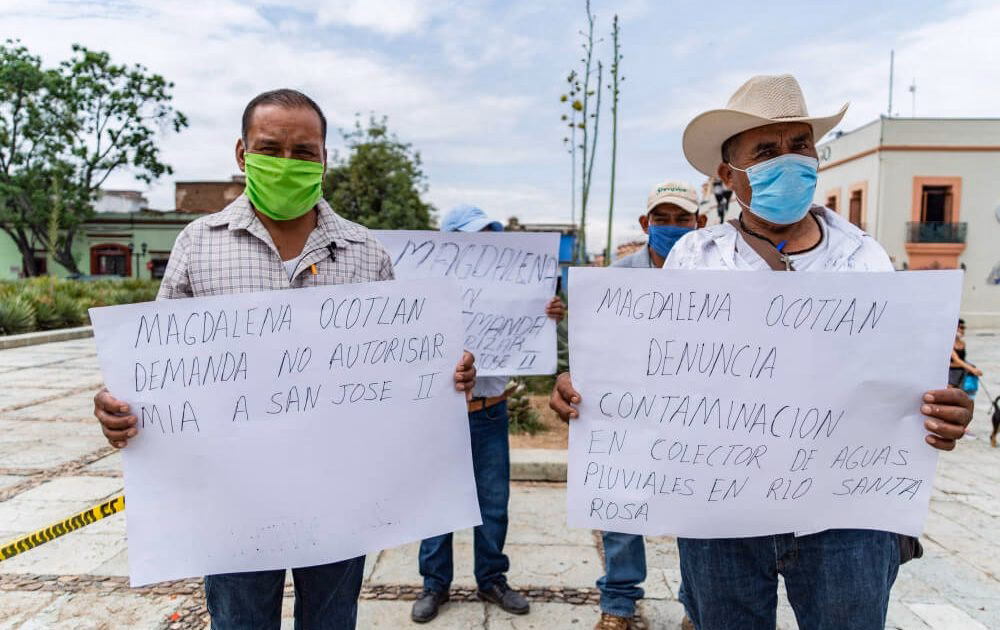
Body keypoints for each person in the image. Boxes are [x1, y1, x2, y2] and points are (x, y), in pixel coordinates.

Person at [550, 74, 974, 630]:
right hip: (719, 513)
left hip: (845, 517)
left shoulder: (866, 260)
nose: (789, 161)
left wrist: (941, 409)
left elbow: (898, 383)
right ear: (728, 175)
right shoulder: (693, 260)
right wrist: (588, 390)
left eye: (800, 145)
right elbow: (648, 370)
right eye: (767, 152)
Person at [92, 89, 477, 630]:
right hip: (232, 498)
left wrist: (445, 375)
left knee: (331, 620)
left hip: (340, 494)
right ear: (242, 153)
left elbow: (398, 367)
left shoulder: (365, 252)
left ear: (324, 159)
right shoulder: (198, 244)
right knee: (240, 621)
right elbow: (157, 366)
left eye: (303, 152)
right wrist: (118, 405)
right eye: (271, 149)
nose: (287, 162)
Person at [411, 204, 566, 624]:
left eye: (487, 236)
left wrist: (547, 315)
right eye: (471, 237)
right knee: (436, 501)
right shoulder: (424, 292)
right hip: (439, 415)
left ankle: (492, 579)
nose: (482, 245)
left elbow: (530, 336)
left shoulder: (508, 287)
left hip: (490, 413)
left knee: (494, 503)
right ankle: (434, 584)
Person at [596, 180, 704, 630]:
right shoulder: (615, 278)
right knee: (621, 508)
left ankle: (698, 607)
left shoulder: (719, 276)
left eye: (682, 219)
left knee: (698, 516)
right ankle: (618, 603)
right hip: (630, 414)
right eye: (663, 218)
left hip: (697, 417)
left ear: (699, 222)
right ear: (646, 223)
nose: (672, 226)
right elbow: (595, 346)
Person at [949, 318, 982, 391]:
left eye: (964, 328)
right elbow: (956, 360)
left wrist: (971, 366)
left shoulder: (963, 343)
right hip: (951, 373)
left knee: (961, 392)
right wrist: (972, 369)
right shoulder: (949, 343)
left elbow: (962, 359)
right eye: (961, 327)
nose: (963, 330)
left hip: (961, 372)